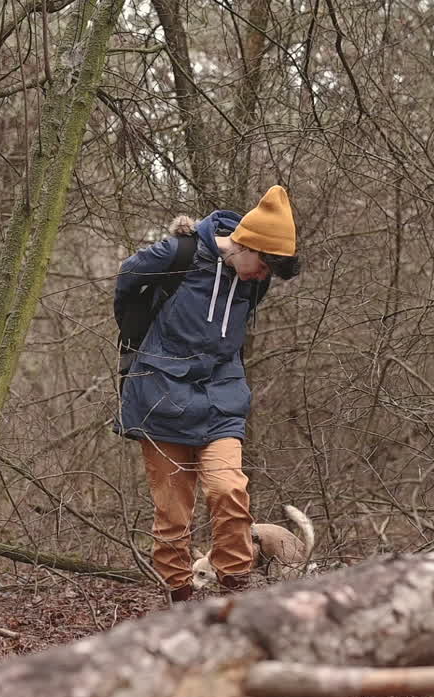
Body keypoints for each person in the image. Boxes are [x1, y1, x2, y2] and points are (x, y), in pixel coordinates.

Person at [113, 185, 302, 603]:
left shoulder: (254, 279)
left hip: (221, 396)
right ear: (246, 245)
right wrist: (142, 341)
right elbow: (127, 281)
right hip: (160, 396)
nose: (263, 277)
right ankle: (180, 603)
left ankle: (235, 595)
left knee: (227, 490)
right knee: (173, 516)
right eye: (264, 266)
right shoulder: (176, 255)